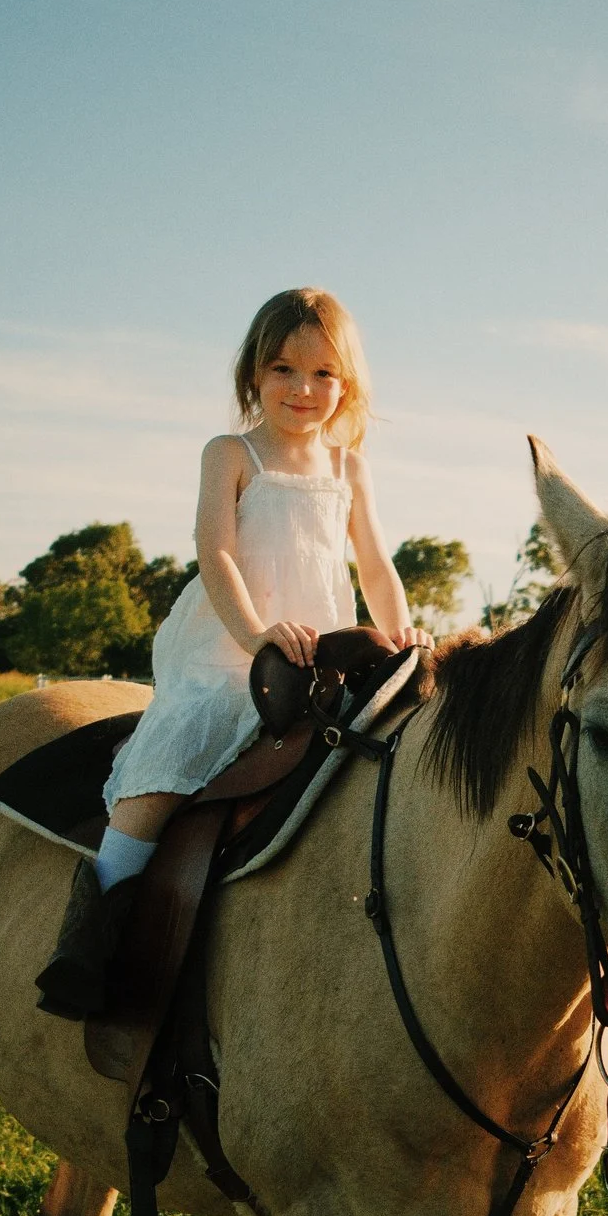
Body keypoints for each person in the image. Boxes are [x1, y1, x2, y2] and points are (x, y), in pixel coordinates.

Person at [37, 288, 431, 1016]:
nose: (302, 389)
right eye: (283, 369)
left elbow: (375, 564)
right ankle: (89, 942)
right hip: (231, 651)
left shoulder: (349, 468)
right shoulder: (231, 453)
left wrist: (401, 630)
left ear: (346, 385)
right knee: (163, 775)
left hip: (320, 658)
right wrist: (255, 634)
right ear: (254, 373)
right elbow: (214, 549)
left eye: (322, 374)